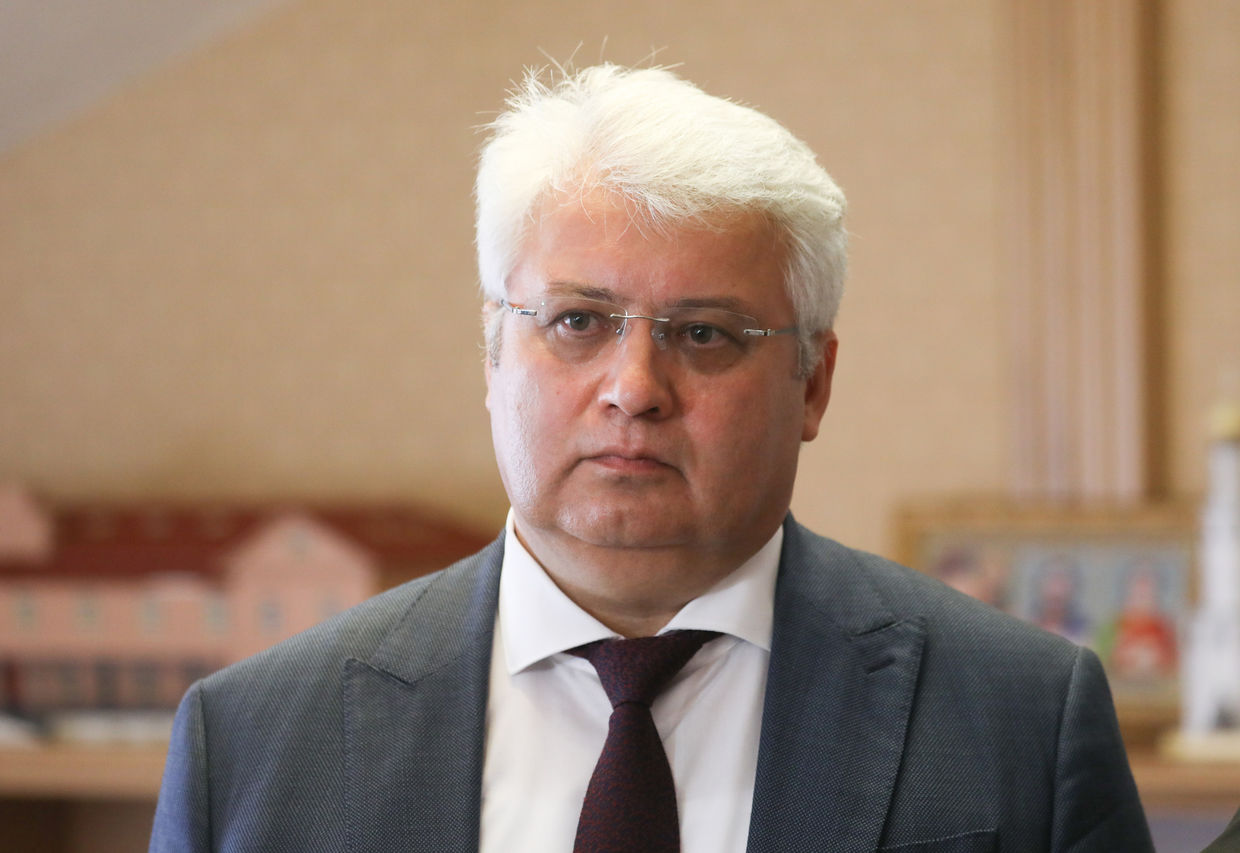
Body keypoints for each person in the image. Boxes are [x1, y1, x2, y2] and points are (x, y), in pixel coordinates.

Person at [149, 63, 1153, 852]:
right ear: (493, 354)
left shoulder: (1021, 716)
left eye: (704, 333)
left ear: (812, 384)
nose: (633, 387)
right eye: (577, 321)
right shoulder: (253, 742)